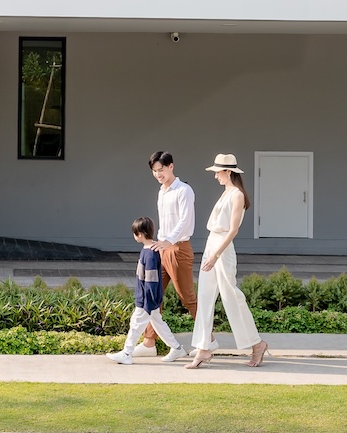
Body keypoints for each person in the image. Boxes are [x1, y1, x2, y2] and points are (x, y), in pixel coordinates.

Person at [186, 153, 267, 368]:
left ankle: (257, 344)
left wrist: (215, 255)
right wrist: (211, 253)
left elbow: (233, 230)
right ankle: (203, 348)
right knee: (204, 296)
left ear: (228, 172)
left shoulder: (237, 195)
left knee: (231, 296)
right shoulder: (226, 193)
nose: (216, 176)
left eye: (218, 172)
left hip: (222, 248)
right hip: (212, 243)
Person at [137, 150, 197, 355]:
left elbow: (185, 221)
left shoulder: (184, 190)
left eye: (161, 170)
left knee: (187, 298)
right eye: (154, 171)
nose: (158, 174)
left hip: (178, 248)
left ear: (171, 166)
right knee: (153, 295)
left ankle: (207, 341)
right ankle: (149, 343)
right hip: (162, 247)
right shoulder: (161, 191)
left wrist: (168, 241)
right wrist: (158, 242)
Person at [111, 217, 189, 364]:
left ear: (140, 234)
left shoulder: (150, 253)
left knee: (136, 325)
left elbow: (151, 281)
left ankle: (127, 353)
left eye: (135, 233)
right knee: (158, 324)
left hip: (146, 300)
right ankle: (177, 348)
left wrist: (148, 301)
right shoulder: (149, 250)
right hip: (149, 300)